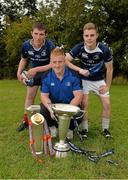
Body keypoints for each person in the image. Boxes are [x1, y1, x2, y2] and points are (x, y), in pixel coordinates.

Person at [65, 22, 113, 138]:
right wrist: (80, 70)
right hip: (85, 80)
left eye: (92, 35)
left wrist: (107, 86)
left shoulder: (104, 49)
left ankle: (105, 130)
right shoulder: (79, 47)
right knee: (85, 104)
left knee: (107, 104)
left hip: (99, 80)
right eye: (87, 36)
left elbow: (110, 69)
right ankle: (85, 130)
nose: (89, 38)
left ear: (97, 35)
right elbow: (65, 61)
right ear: (83, 36)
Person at [17, 22, 55, 132]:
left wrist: (35, 69)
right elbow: (24, 59)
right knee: (30, 97)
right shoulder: (26, 45)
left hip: (47, 73)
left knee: (49, 98)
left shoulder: (49, 45)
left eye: (41, 34)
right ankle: (27, 121)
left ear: (45, 35)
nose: (38, 37)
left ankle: (52, 122)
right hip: (33, 74)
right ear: (31, 33)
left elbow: (53, 64)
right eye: (36, 33)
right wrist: (18, 73)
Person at [40, 47, 83, 139]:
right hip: (54, 106)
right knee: (43, 109)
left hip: (69, 105)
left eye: (60, 62)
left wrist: (67, 110)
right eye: (54, 62)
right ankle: (52, 127)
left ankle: (69, 129)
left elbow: (78, 96)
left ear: (64, 61)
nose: (57, 65)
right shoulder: (46, 76)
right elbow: (44, 96)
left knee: (79, 112)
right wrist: (51, 109)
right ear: (51, 62)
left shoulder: (74, 75)